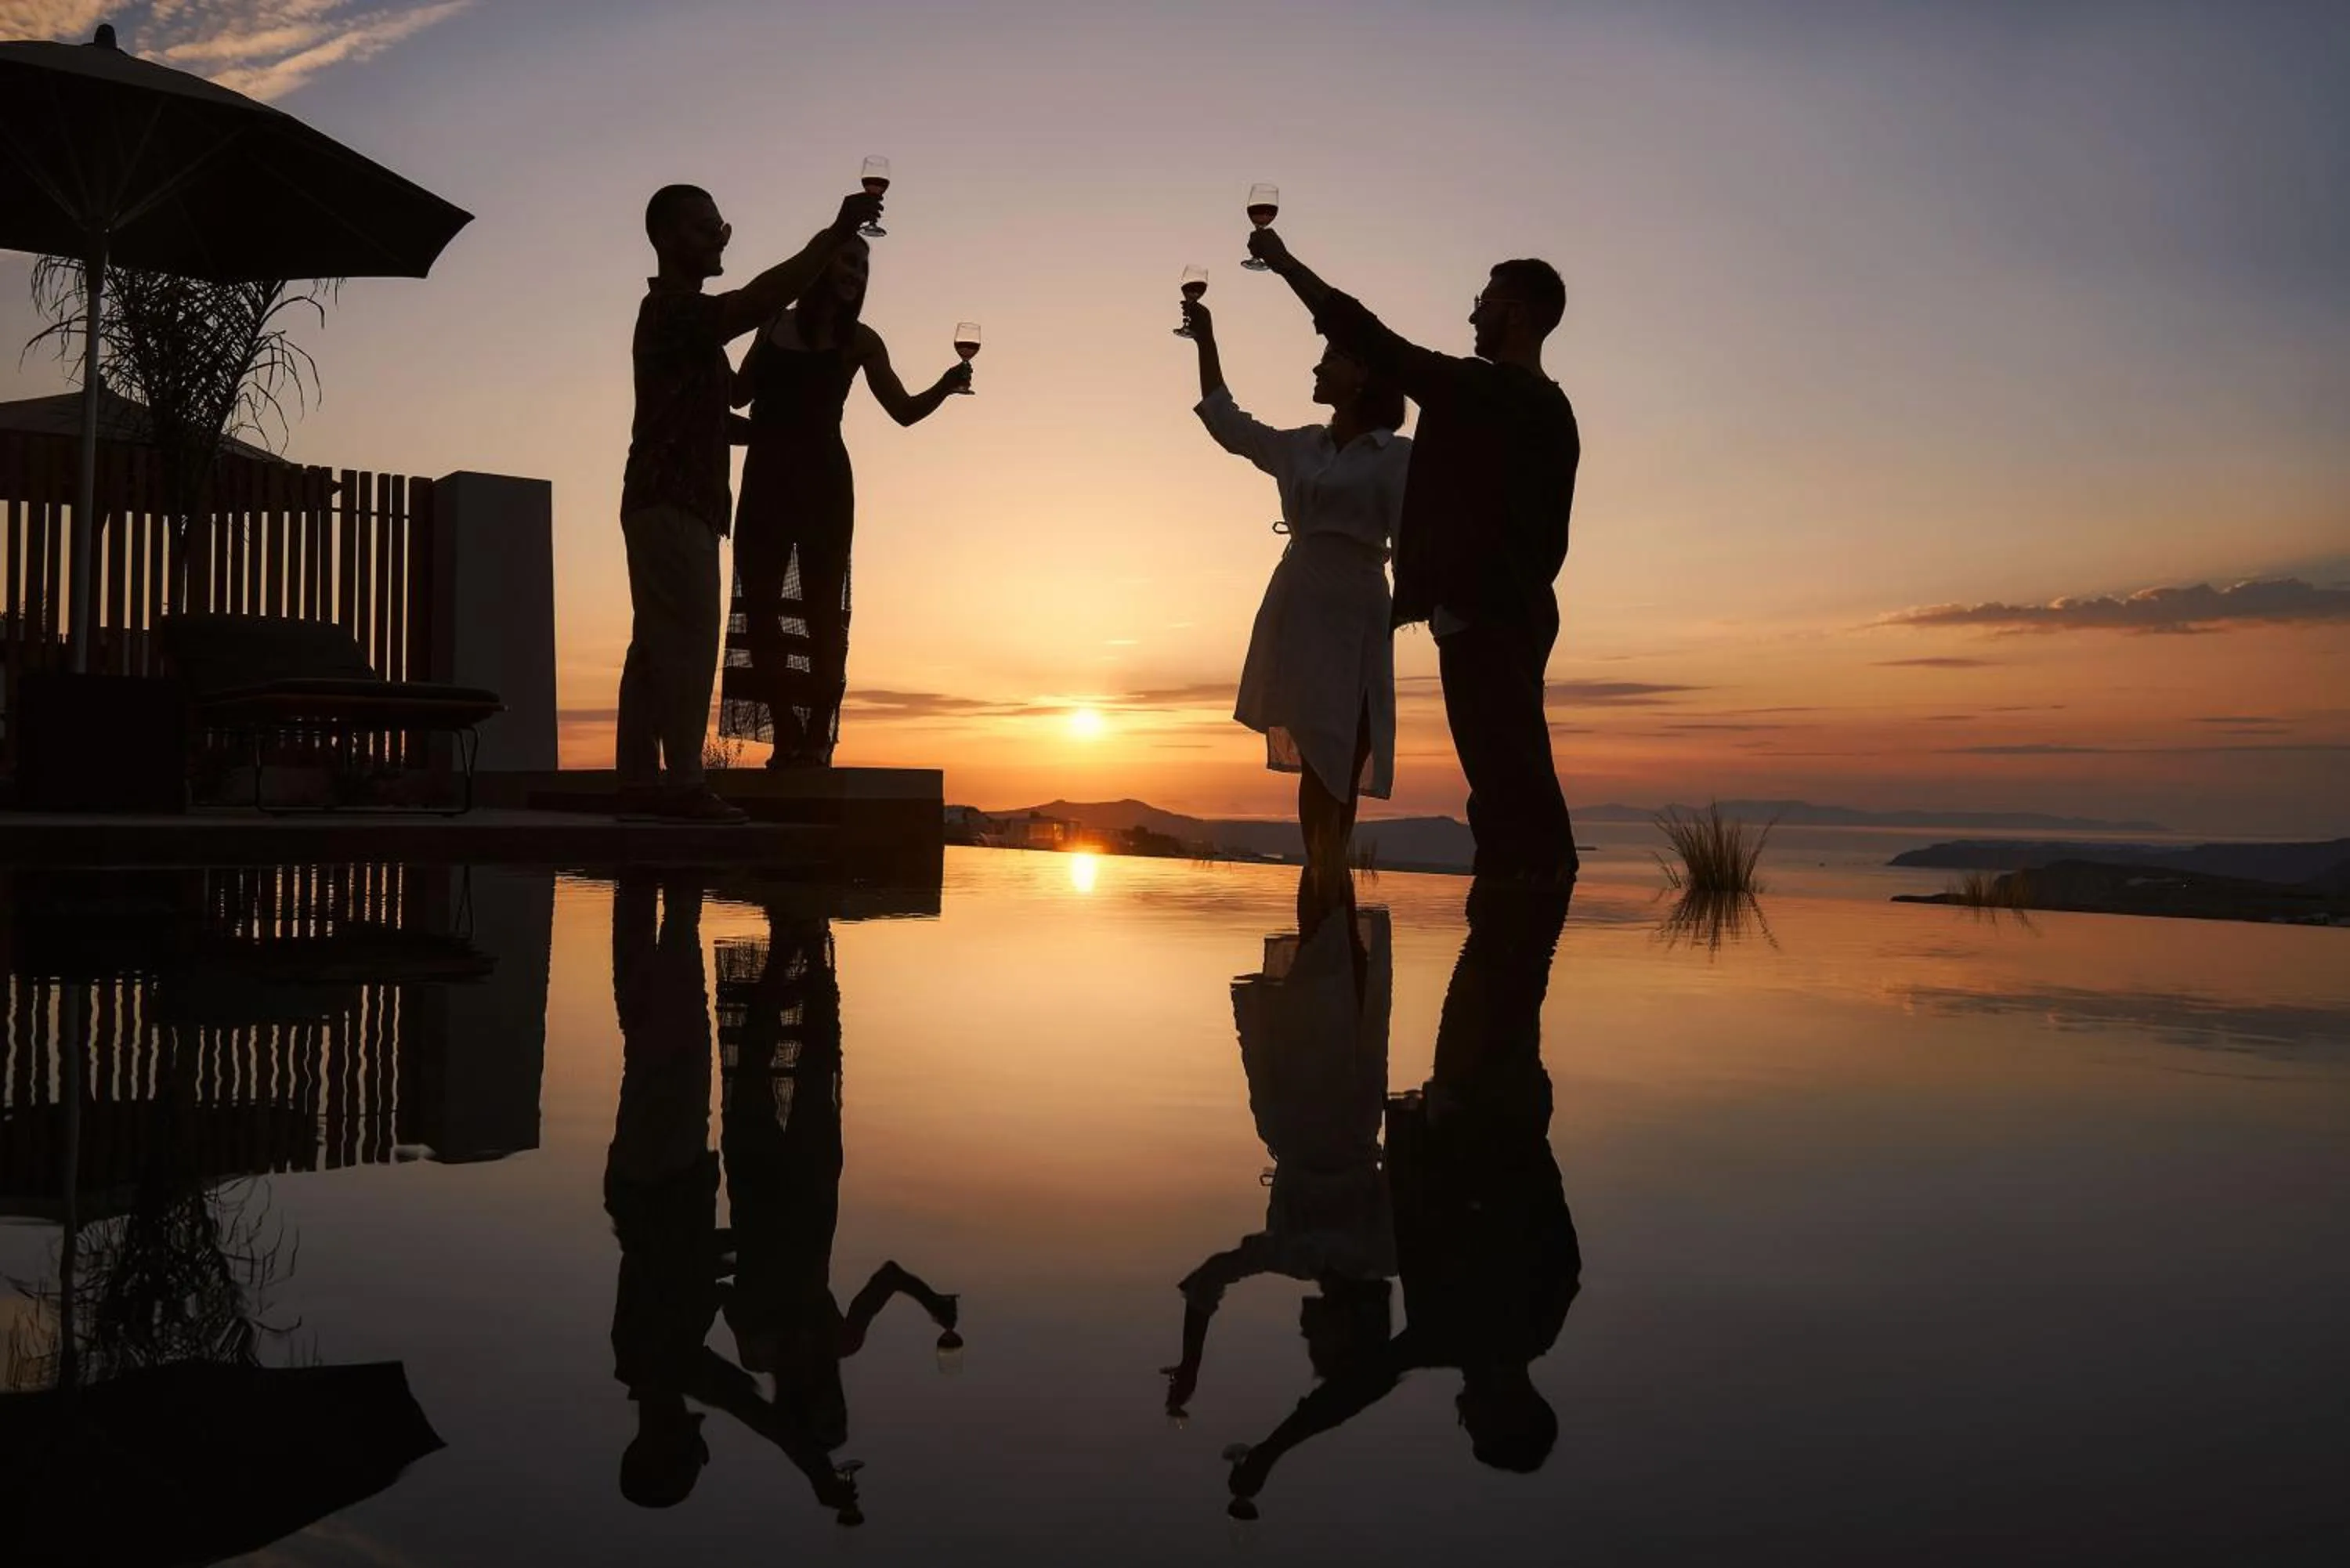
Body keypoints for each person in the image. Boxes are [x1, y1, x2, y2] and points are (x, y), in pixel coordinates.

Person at [1223, 878, 1581, 1517]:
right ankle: (1533, 866)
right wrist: (1476, 1122)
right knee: (1509, 949)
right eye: (1475, 1424)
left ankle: (1524, 870)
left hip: (1479, 1101)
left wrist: (1274, 1451)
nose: (1460, 1414)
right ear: (1507, 1414)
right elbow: (1538, 1200)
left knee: (1501, 948)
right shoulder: (1514, 1319)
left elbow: (1354, 1390)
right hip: (1485, 1100)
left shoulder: (1488, 1331)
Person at [1246, 227, 1581, 881]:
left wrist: (1286, 264)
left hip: (1487, 620)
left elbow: (1374, 340)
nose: (1472, 313)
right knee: (1509, 780)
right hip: (1519, 614)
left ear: (1513, 313)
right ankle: (1511, 934)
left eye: (1483, 301)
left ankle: (1518, 934)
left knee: (1510, 789)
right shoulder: (1554, 410)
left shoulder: (1489, 393)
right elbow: (1549, 537)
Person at [616, 182, 882, 821]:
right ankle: (679, 786)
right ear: (668, 238)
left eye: (721, 226)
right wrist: (830, 234)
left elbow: (719, 418)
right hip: (672, 501)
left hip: (678, 503)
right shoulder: (675, 313)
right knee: (683, 645)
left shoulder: (688, 332)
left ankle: (637, 784)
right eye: (707, 228)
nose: (720, 238)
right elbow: (758, 300)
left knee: (654, 646)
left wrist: (786, 432)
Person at [721, 238, 972, 767]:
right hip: (765, 482)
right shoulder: (772, 326)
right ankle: (786, 730)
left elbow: (902, 411)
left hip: (825, 486)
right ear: (820, 265)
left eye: (863, 265)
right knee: (762, 612)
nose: (856, 271)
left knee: (821, 615)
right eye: (847, 259)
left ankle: (816, 736)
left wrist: (945, 387)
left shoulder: (861, 341)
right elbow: (738, 395)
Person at [1182, 294, 1408, 877]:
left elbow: (1413, 538)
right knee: (1316, 751)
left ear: (1362, 375)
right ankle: (1322, 880)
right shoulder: (1301, 446)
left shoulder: (1397, 458)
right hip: (1300, 606)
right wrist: (1206, 339)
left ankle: (1331, 888)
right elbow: (1227, 422)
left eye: (1329, 357)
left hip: (1358, 610)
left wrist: (1419, 603)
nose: (1316, 367)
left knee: (1348, 744)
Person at [1161, 872, 1394, 1421]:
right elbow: (1206, 1284)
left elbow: (1207, 1284)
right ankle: (1326, 853)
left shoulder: (1381, 1253)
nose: (1303, 1334)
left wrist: (1193, 1360)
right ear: (1344, 1327)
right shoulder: (1310, 1253)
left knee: (1336, 964)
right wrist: (1191, 1360)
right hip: (1309, 1111)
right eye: (1317, 1343)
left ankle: (1328, 855)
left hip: (1342, 1108)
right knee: (1327, 962)